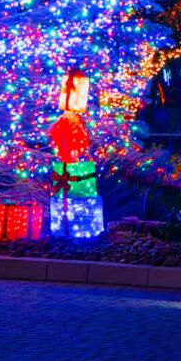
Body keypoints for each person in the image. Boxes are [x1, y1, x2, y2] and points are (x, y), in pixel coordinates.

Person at [45, 71, 105, 241]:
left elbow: (83, 139)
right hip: (67, 165)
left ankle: (70, 230)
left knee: (76, 189)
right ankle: (66, 230)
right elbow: (59, 135)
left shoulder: (76, 120)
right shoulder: (65, 120)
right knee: (68, 188)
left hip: (73, 167)